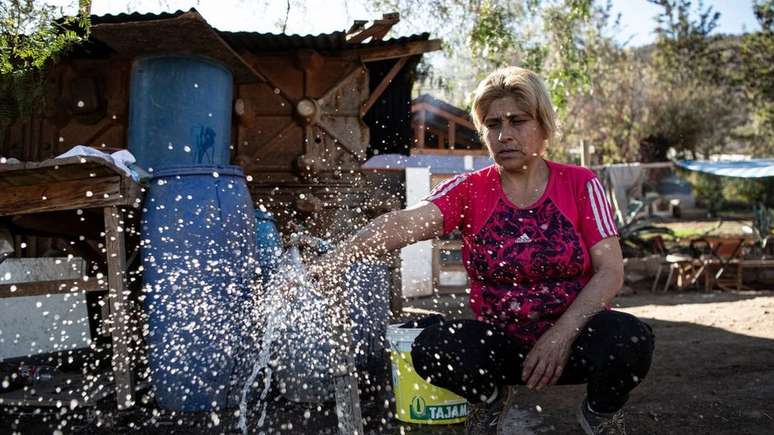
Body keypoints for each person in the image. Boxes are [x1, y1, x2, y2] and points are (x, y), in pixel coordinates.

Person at [311, 66, 654, 435]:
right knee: (431, 347)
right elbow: (403, 224)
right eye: (493, 125)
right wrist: (336, 259)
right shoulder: (470, 189)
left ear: (543, 125)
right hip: (502, 346)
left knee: (631, 339)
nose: (504, 135)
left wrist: (561, 335)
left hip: (574, 340)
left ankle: (599, 414)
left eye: (517, 121)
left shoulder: (580, 183)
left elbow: (610, 271)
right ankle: (490, 399)